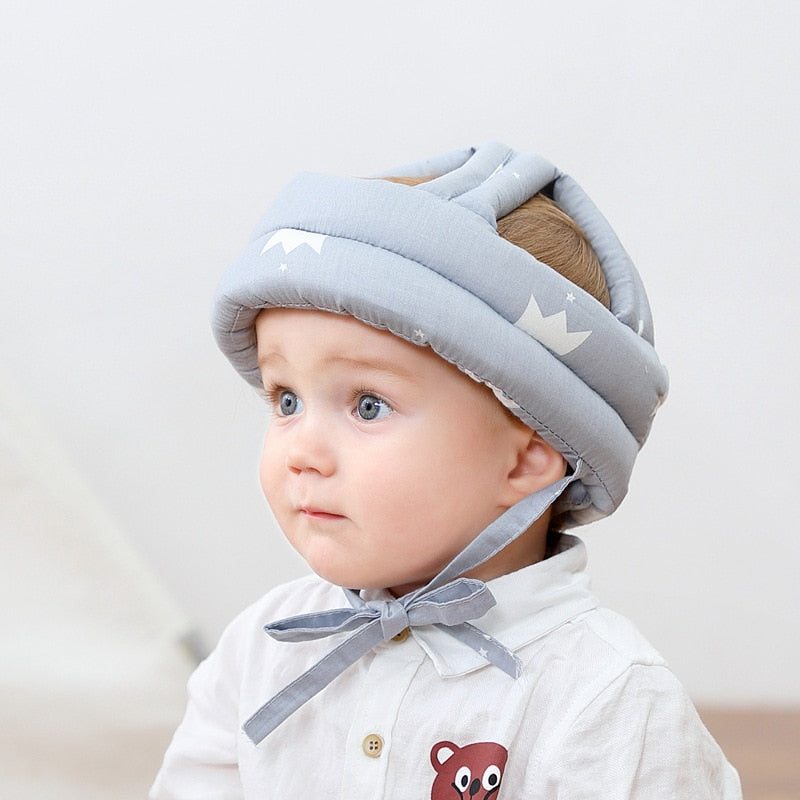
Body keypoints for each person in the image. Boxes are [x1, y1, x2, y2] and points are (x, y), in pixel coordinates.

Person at [150, 142, 742, 798]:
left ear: (526, 455)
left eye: (367, 405)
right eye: (286, 399)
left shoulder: (603, 701)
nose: (302, 451)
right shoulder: (264, 650)